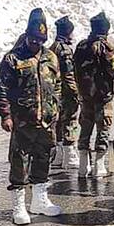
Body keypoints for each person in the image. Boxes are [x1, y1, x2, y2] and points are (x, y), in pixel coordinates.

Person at [0, 9, 62, 225]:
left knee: (44, 158)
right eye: (33, 38)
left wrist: (56, 109)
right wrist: (6, 116)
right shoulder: (13, 58)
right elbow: (3, 90)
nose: (36, 43)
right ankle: (19, 206)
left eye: (40, 40)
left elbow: (57, 85)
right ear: (26, 35)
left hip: (47, 122)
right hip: (23, 121)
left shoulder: (50, 57)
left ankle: (39, 201)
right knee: (19, 162)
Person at [73, 12, 114, 179]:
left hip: (85, 95)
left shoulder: (81, 46)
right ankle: (98, 167)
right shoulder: (106, 47)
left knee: (85, 128)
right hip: (102, 95)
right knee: (103, 128)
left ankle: (83, 166)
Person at [51, 16, 79, 169]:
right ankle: (69, 156)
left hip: (55, 92)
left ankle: (59, 155)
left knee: (58, 122)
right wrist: (75, 93)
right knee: (69, 119)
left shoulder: (52, 47)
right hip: (65, 92)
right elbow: (68, 75)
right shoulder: (65, 50)